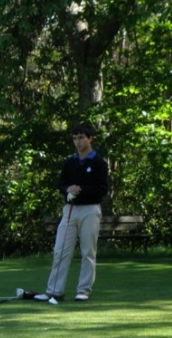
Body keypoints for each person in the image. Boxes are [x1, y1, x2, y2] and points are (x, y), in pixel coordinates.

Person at [34, 123, 109, 302]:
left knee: (87, 251)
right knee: (61, 250)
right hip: (70, 210)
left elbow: (101, 189)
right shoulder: (70, 162)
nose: (78, 142)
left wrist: (81, 190)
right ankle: (54, 290)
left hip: (90, 210)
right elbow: (61, 184)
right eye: (75, 138)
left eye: (81, 137)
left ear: (89, 138)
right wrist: (68, 188)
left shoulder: (99, 163)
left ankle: (83, 290)